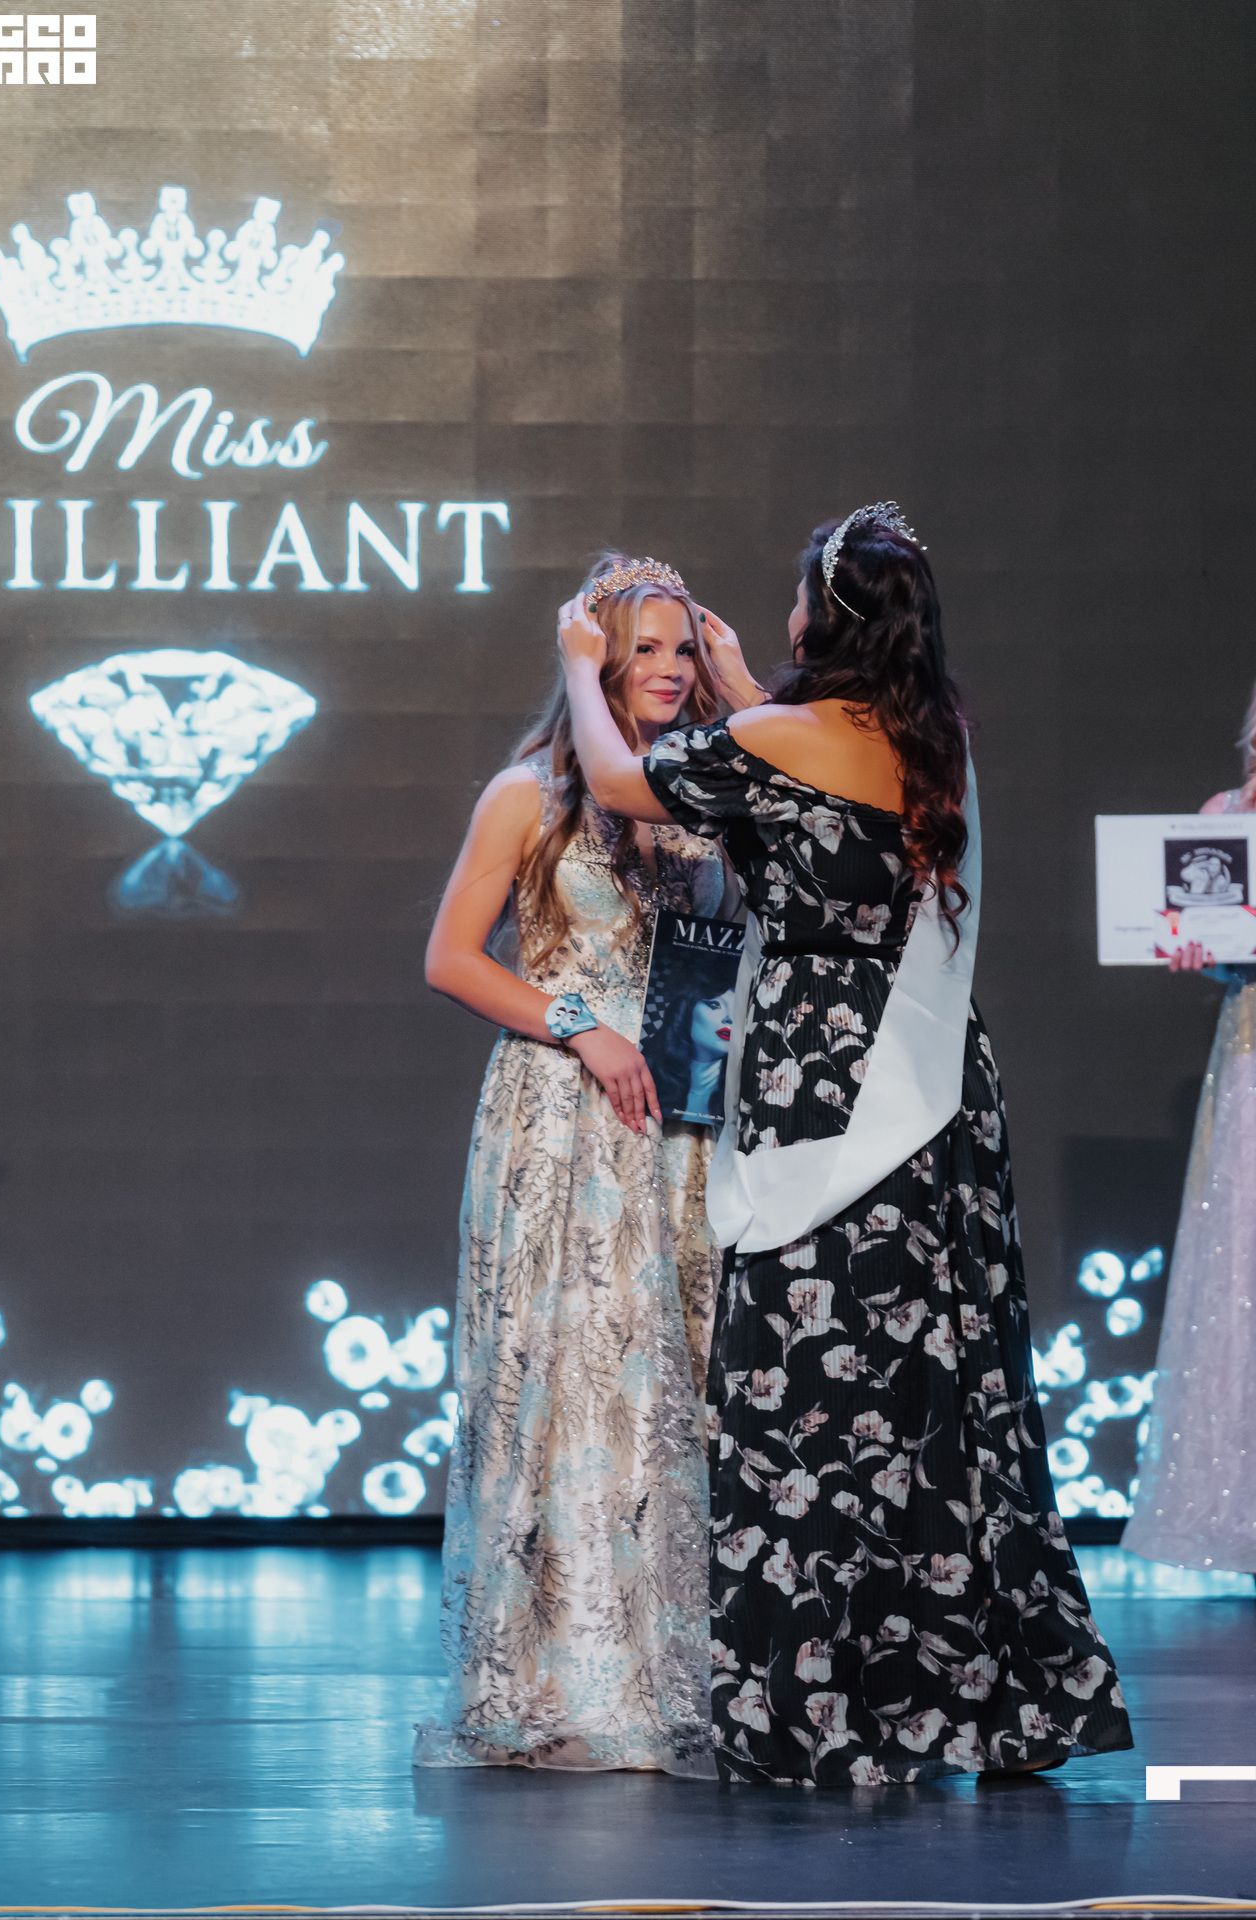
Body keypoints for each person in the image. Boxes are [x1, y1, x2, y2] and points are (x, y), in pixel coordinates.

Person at [558, 505, 1134, 1787]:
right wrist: (747, 686)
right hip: (935, 1093)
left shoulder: (778, 738)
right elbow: (810, 785)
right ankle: (970, 1694)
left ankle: (821, 1700)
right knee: (937, 1380)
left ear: (823, 618)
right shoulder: (931, 743)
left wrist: (576, 668)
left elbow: (618, 780)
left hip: (819, 1083)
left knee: (808, 1389)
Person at [417, 552, 760, 1776]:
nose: (665, 670)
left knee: (685, 1384)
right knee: (573, 1380)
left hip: (689, 1124)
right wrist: (578, 1023)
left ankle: (688, 1668)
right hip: (568, 1114)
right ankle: (568, 1675)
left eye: (681, 649)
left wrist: (740, 677)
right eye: (640, 650)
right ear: (593, 662)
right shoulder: (529, 795)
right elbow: (452, 958)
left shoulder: (712, 796)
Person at [1123, 680, 1256, 1574]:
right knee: (1241, 1255)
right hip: (1250, 1049)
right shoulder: (1226, 818)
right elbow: (1215, 946)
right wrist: (1196, 950)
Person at [656, 988, 735, 1125]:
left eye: (737, 1010)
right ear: (686, 1010)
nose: (730, 1018)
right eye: (715, 1005)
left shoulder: (738, 1100)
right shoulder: (653, 1080)